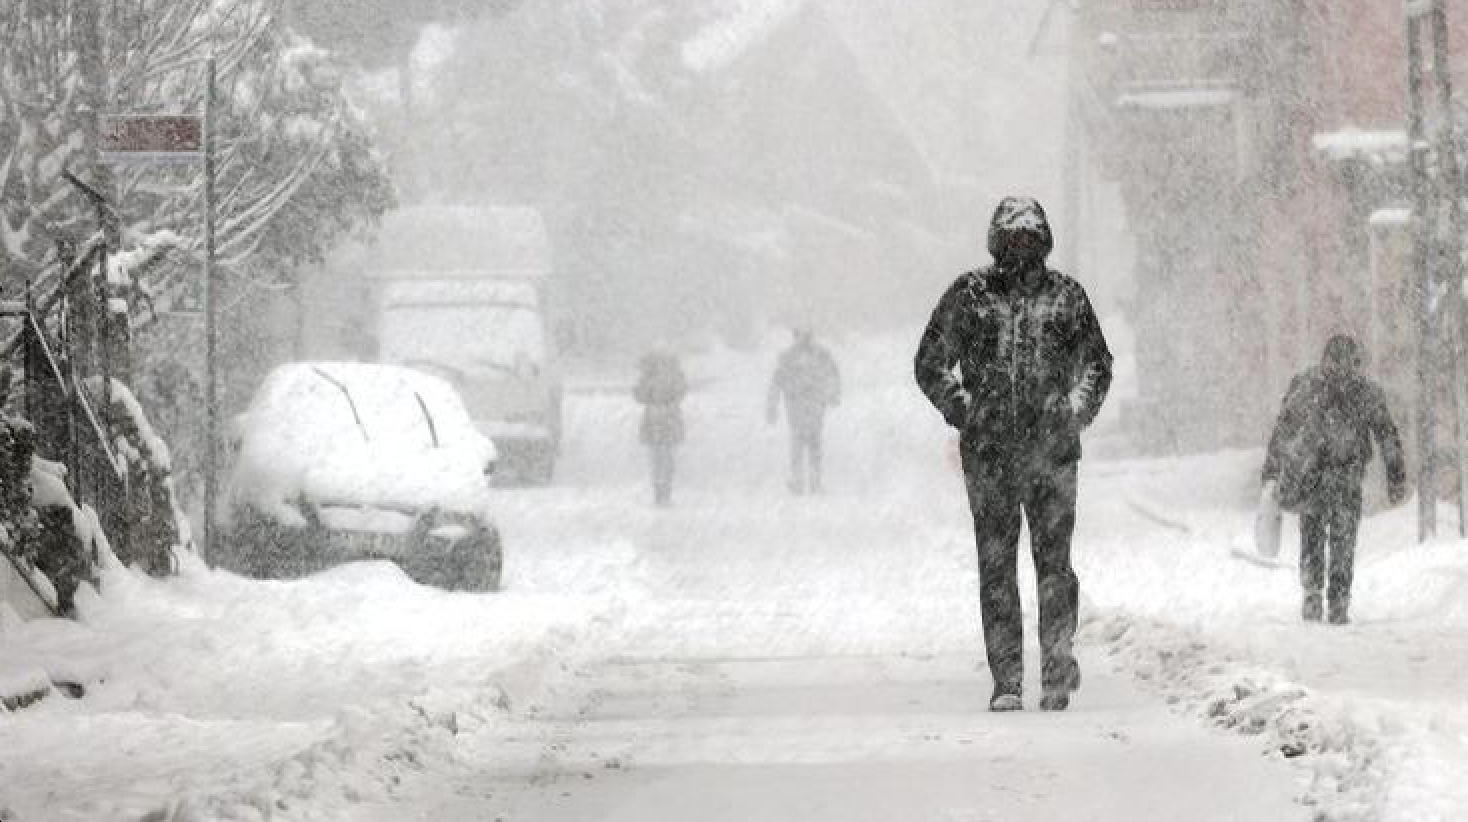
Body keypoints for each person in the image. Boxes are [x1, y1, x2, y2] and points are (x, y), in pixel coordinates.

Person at [915, 196, 1112, 712]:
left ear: (1042, 240)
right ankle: (1008, 679)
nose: (1021, 248)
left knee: (1052, 566)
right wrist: (965, 410)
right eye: (1013, 238)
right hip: (992, 456)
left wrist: (1072, 412)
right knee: (1000, 567)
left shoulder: (1067, 297)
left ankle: (1055, 666)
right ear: (998, 241)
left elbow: (1096, 364)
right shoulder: (970, 296)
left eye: (1030, 238)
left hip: (1051, 454)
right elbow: (930, 361)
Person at [1262, 334, 1406, 625]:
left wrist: (1271, 472)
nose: (1341, 369)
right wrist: (1396, 475)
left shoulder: (1308, 386)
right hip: (1341, 476)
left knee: (1316, 537)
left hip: (1317, 475)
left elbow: (1282, 431)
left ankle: (1315, 595)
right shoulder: (1362, 392)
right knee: (1341, 540)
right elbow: (1387, 436)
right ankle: (1335, 601)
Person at [767, 329, 841, 494]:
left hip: (801, 406)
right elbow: (834, 375)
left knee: (802, 443)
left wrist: (772, 406)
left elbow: (776, 383)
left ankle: (802, 482)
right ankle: (810, 482)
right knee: (810, 443)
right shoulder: (819, 355)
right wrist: (834, 394)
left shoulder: (789, 357)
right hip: (810, 405)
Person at [634, 347, 688, 507]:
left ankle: (660, 493)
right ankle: (663, 493)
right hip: (668, 418)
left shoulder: (649, 376)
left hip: (655, 418)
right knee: (665, 457)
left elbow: (639, 395)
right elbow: (681, 392)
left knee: (658, 458)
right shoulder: (674, 375)